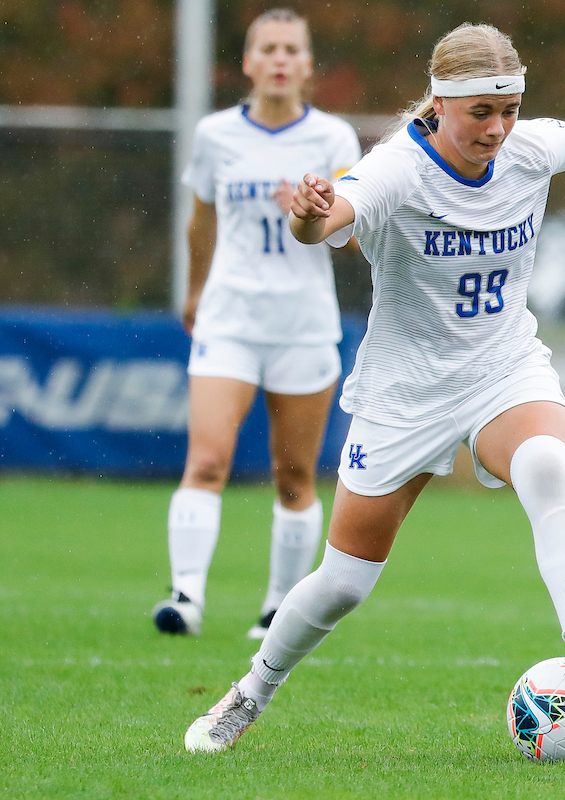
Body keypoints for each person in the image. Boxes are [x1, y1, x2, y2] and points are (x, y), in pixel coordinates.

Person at [181, 22, 565, 753]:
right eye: (480, 113)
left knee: (548, 465)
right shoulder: (398, 168)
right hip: (406, 392)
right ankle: (249, 694)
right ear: (439, 101)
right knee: (343, 584)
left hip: (503, 367)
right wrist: (305, 214)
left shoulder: (527, 148)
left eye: (509, 109)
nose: (498, 128)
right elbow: (327, 220)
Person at [151, 8, 362, 640]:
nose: (277, 59)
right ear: (247, 62)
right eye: (266, 48)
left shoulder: (332, 137)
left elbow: (354, 235)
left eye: (289, 50)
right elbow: (201, 221)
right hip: (231, 319)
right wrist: (194, 291)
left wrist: (317, 213)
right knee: (208, 458)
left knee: (293, 475)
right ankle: (184, 598)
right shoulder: (217, 134)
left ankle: (276, 607)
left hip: (302, 324)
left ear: (305, 66)